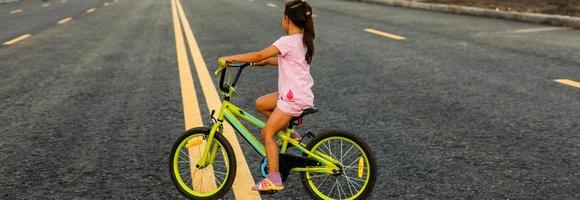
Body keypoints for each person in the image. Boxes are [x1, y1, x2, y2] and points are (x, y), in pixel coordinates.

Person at [220, 0, 315, 192]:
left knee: (267, 133)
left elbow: (259, 54)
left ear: (287, 20)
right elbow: (279, 60)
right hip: (297, 94)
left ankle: (274, 178)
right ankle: (293, 136)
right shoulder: (303, 41)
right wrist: (259, 64)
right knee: (261, 103)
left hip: (292, 99)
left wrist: (231, 58)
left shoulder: (286, 41)